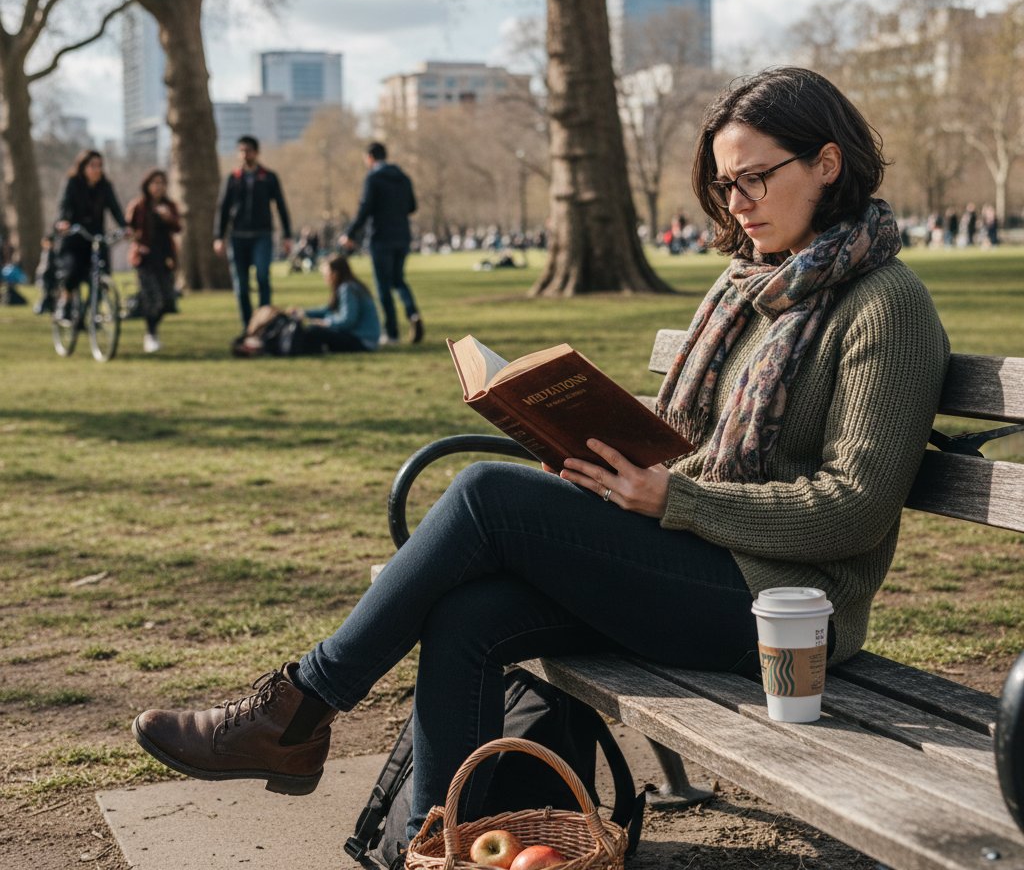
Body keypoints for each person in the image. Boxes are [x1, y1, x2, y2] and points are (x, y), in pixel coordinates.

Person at [132, 67, 949, 845]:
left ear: (828, 162)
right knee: (469, 616)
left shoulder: (888, 306)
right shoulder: (747, 287)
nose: (737, 206)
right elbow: (694, 441)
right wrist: (593, 446)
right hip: (696, 561)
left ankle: (297, 708)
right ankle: (441, 844)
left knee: (487, 492)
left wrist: (675, 501)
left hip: (786, 617)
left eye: (754, 179)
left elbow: (856, 505)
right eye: (725, 186)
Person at [339, 142, 423, 346]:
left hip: (380, 237)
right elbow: (412, 206)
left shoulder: (373, 178)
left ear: (370, 157)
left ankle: (392, 333)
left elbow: (365, 208)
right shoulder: (403, 178)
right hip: (402, 236)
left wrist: (350, 233)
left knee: (383, 287)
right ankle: (412, 313)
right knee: (398, 280)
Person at [214, 135, 292, 327]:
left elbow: (281, 205)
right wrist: (218, 236)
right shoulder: (232, 179)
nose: (244, 155)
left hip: (262, 235)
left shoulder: (268, 177)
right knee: (241, 285)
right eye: (241, 151)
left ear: (256, 153)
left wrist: (287, 234)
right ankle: (248, 326)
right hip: (238, 236)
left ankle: (264, 323)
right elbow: (222, 208)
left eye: (247, 151)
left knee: (262, 277)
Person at [54, 150, 127, 320]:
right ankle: (66, 301)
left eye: (100, 166)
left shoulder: (105, 186)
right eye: (92, 166)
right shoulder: (72, 183)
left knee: (103, 274)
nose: (97, 169)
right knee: (72, 272)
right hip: (74, 237)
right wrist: (63, 222)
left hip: (97, 237)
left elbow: (115, 208)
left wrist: (125, 227)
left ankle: (92, 311)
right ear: (83, 167)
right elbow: (64, 206)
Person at [125, 169, 182, 354]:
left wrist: (168, 217)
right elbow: (128, 229)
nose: (158, 187)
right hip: (144, 259)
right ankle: (151, 334)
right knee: (153, 298)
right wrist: (137, 243)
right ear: (147, 185)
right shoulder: (139, 206)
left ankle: (139, 309)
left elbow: (178, 227)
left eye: (162, 183)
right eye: (155, 183)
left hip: (165, 258)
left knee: (167, 300)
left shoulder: (170, 206)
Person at [289, 253, 381, 354]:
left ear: (335, 274)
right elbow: (329, 310)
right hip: (362, 339)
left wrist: (326, 323)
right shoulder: (349, 286)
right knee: (314, 330)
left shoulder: (347, 288)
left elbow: (348, 320)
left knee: (314, 331)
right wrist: (304, 312)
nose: (324, 277)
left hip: (362, 341)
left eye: (326, 273)